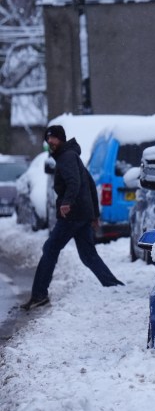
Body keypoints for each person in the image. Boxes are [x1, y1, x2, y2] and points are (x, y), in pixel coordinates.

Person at [20, 125, 124, 311]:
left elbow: (74, 182)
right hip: (82, 213)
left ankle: (39, 295)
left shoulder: (66, 157)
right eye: (48, 139)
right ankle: (114, 287)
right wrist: (94, 214)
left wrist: (67, 202)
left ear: (61, 138)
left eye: (53, 138)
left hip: (72, 214)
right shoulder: (70, 155)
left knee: (50, 249)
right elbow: (89, 183)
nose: (50, 142)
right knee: (88, 255)